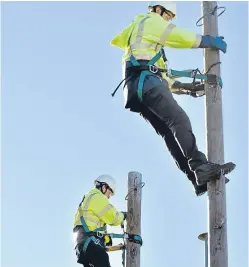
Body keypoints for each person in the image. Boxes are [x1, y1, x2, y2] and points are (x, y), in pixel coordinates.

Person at [110, 1, 235, 196]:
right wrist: (208, 41)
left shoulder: (143, 40)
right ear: (158, 9)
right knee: (179, 120)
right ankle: (200, 167)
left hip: (136, 90)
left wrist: (186, 88)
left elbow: (164, 77)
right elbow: (179, 37)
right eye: (168, 15)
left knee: (169, 133)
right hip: (147, 82)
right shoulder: (150, 21)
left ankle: (196, 179)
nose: (168, 20)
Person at [73, 174, 127, 266]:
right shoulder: (96, 196)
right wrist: (124, 216)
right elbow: (113, 217)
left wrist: (106, 238)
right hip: (89, 243)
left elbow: (94, 226)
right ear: (104, 187)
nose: (109, 196)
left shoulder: (89, 198)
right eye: (109, 192)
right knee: (103, 259)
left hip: (84, 245)